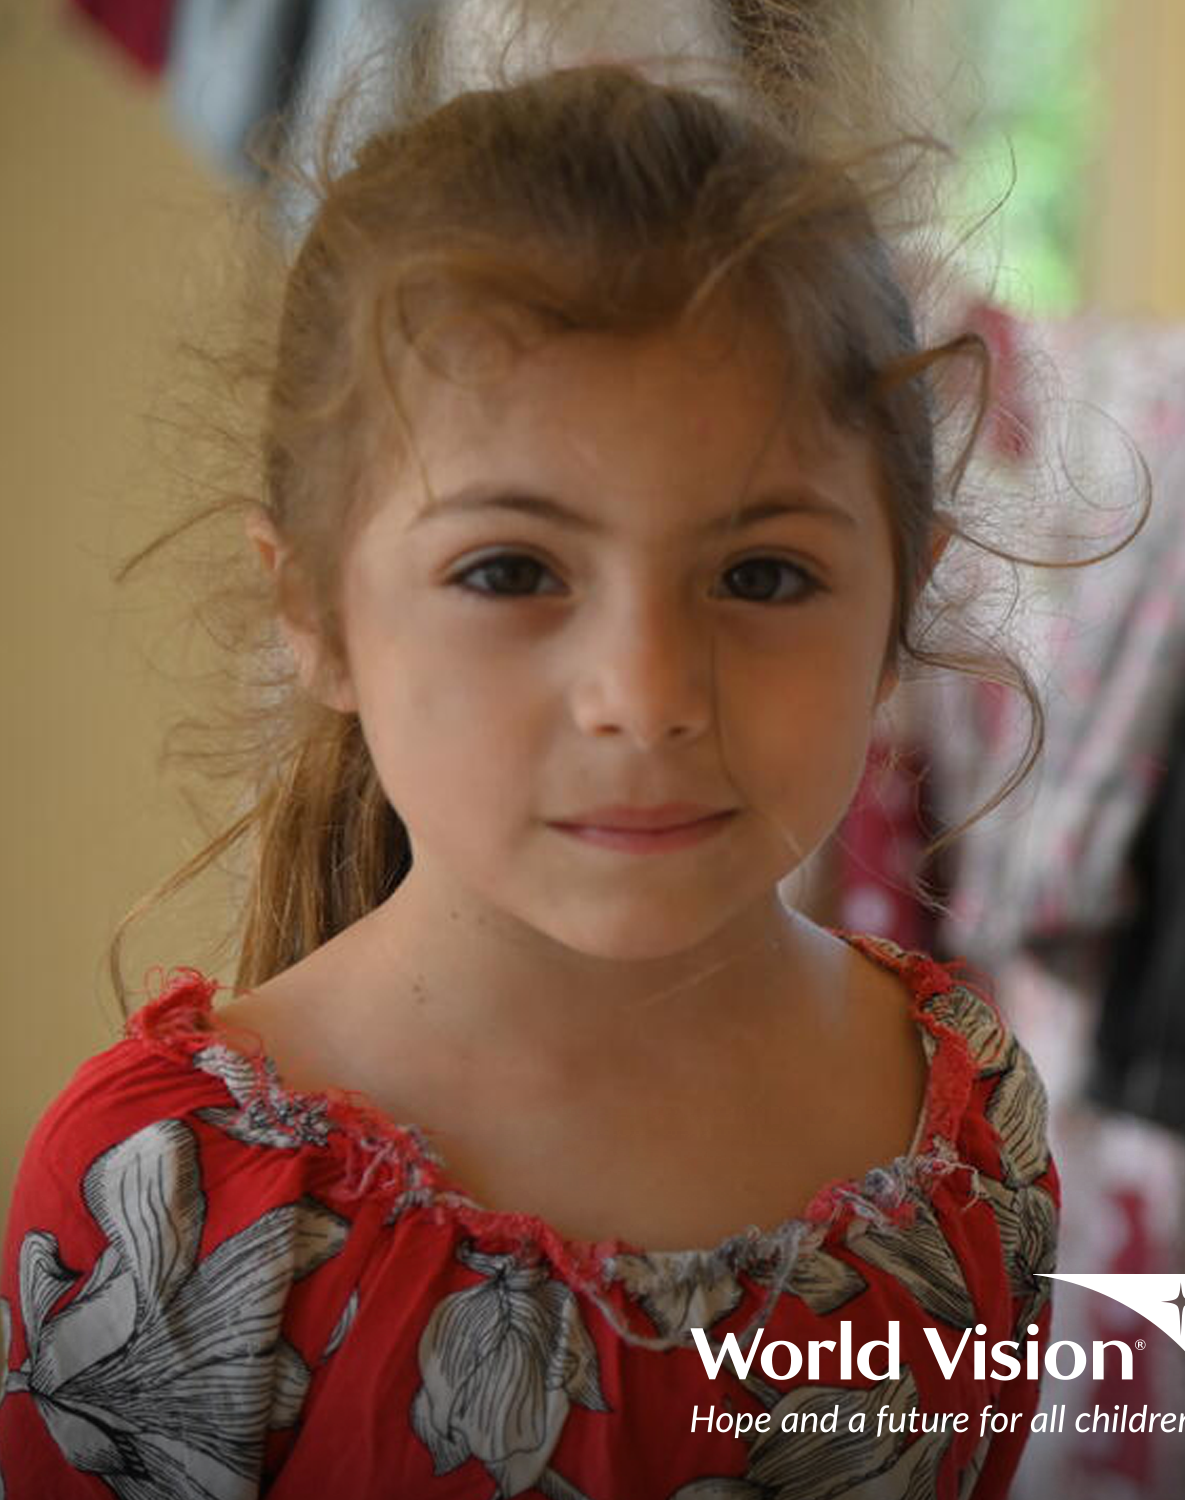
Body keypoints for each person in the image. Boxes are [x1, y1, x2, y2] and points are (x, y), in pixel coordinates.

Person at [0, 57, 1058, 1500]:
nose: (647, 698)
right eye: (511, 570)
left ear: (895, 614)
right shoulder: (164, 1199)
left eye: (761, 573)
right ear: (312, 610)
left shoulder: (964, 1121)